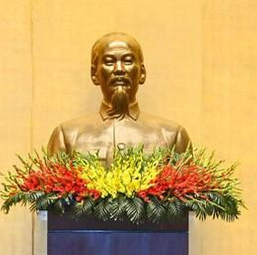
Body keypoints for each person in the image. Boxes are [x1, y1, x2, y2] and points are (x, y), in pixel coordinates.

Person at [48, 32, 191, 163]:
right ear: (94, 74)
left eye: (128, 61)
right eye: (109, 62)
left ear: (142, 73)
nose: (119, 70)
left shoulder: (171, 135)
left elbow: (189, 188)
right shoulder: (67, 136)